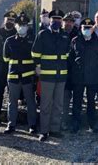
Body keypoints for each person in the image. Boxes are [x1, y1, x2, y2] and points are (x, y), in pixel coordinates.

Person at [32, 9, 70, 141]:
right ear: (50, 20)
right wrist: (37, 66)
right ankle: (44, 131)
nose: (56, 21)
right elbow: (35, 53)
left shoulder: (65, 35)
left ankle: (54, 129)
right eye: (54, 19)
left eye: (59, 19)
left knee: (58, 105)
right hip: (47, 76)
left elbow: (67, 54)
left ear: (61, 21)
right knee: (46, 104)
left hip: (61, 76)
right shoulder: (43, 34)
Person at [2, 13, 37, 135]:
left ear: (28, 26)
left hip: (28, 76)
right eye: (20, 25)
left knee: (30, 102)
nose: (22, 27)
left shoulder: (33, 40)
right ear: (15, 26)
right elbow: (6, 58)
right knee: (12, 102)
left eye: (24, 25)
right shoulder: (9, 40)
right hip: (13, 75)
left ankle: (32, 125)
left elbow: (36, 57)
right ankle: (11, 125)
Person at [68, 18, 98, 133]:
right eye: (85, 28)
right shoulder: (75, 41)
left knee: (91, 102)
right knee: (77, 101)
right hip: (78, 77)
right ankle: (75, 124)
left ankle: (92, 124)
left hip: (93, 77)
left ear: (93, 29)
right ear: (81, 28)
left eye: (89, 28)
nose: (87, 30)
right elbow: (70, 59)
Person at [61, 12, 78, 130]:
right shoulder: (58, 34)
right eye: (66, 21)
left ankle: (75, 122)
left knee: (77, 99)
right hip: (61, 71)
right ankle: (63, 122)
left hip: (75, 71)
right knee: (64, 98)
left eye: (71, 21)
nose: (68, 23)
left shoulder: (78, 34)